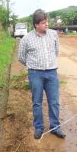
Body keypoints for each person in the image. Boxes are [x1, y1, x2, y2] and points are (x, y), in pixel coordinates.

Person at [18, 9, 66, 140]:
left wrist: (49, 64)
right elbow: (21, 57)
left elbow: (56, 51)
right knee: (37, 102)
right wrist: (33, 66)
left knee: (54, 101)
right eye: (43, 23)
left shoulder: (53, 35)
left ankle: (55, 127)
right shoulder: (27, 38)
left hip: (52, 72)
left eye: (47, 22)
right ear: (36, 25)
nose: (47, 24)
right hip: (35, 74)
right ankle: (39, 128)